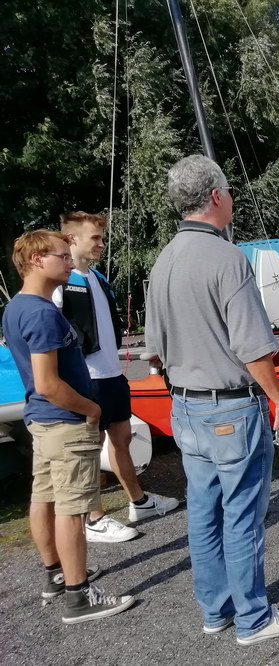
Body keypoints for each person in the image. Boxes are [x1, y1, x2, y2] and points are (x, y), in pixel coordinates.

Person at [145, 155, 279, 645]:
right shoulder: (226, 257)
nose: (232, 197)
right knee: (242, 516)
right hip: (231, 408)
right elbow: (253, 347)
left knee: (203, 513)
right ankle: (254, 619)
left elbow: (153, 351)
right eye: (229, 190)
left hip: (186, 406)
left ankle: (215, 610)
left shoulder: (163, 259)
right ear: (216, 196)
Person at [3, 230, 135, 624]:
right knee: (72, 509)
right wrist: (91, 408)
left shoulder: (16, 307)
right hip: (64, 421)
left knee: (43, 498)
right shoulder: (42, 313)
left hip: (42, 421)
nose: (69, 262)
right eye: (61, 256)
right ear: (36, 260)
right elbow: (48, 383)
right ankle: (80, 595)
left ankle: (56, 575)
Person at [55, 212, 179, 543]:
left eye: (102, 237)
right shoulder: (60, 284)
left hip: (112, 375)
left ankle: (139, 502)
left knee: (122, 439)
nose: (101, 244)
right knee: (89, 448)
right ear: (72, 239)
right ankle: (93, 518)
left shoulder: (98, 278)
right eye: (95, 238)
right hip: (86, 379)